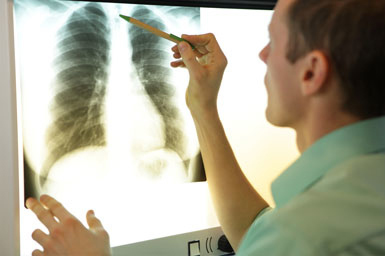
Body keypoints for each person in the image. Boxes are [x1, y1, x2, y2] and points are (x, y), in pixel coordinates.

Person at [26, 0, 385, 255]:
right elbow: (257, 233)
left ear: (311, 72)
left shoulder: (306, 237)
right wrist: (203, 106)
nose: (262, 54)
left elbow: (282, 240)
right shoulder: (357, 193)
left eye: (272, 40)